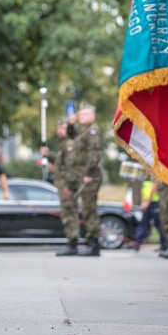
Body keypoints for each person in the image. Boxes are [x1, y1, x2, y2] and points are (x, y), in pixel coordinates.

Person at [65, 103, 103, 256]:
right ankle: (90, 242)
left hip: (90, 176)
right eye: (80, 115)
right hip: (83, 176)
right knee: (86, 210)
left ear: (93, 116)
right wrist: (70, 124)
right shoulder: (82, 131)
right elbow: (71, 135)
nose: (82, 117)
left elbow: (94, 154)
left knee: (89, 210)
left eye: (85, 114)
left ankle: (94, 245)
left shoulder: (93, 130)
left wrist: (89, 173)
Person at [54, 118, 80, 256]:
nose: (60, 131)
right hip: (63, 183)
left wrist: (68, 186)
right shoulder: (64, 144)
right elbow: (61, 165)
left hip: (67, 184)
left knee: (69, 214)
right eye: (59, 129)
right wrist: (49, 157)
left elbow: (70, 167)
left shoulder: (70, 144)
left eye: (63, 128)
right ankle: (71, 242)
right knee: (67, 213)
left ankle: (73, 244)